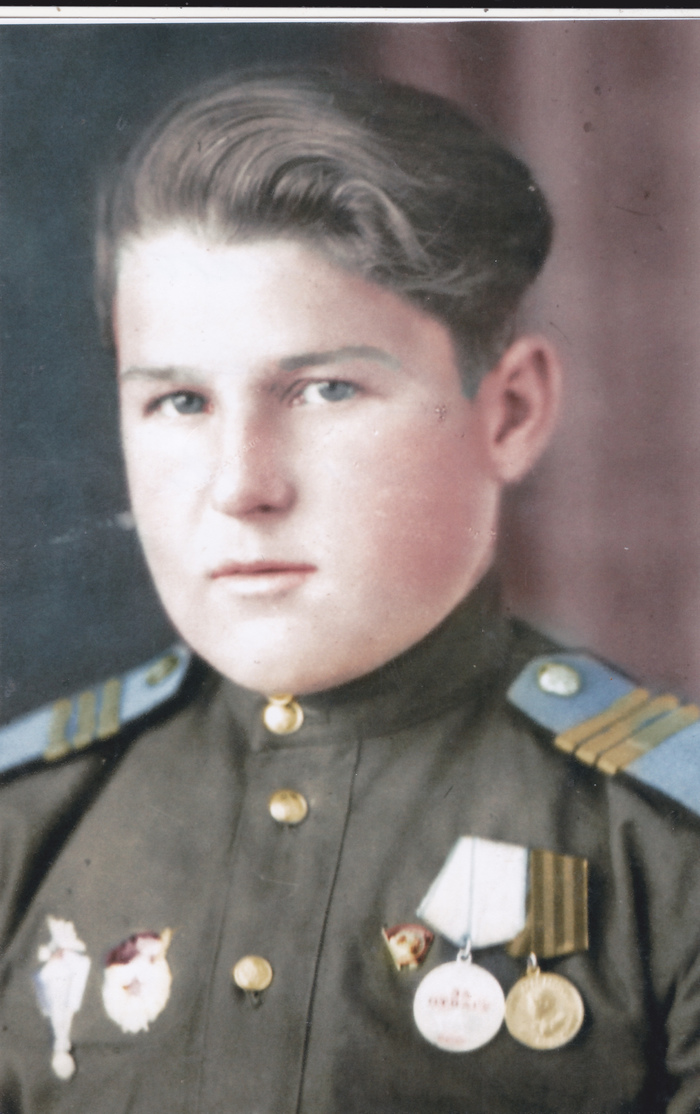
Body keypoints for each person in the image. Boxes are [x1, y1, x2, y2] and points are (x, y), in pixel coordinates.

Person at [1, 69, 700, 1114]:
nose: (241, 485)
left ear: (510, 413)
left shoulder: (661, 847)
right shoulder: (29, 826)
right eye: (180, 401)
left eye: (325, 389)